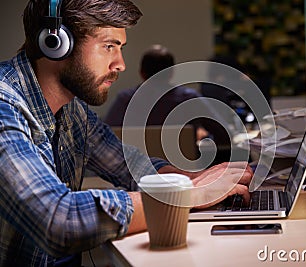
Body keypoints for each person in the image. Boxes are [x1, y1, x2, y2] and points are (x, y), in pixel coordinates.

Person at [0, 0, 253, 266]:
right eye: (109, 46)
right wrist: (187, 194)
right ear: (56, 44)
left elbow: (126, 165)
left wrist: (193, 179)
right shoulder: (5, 105)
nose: (120, 64)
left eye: (120, 48)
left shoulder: (72, 109)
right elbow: (58, 221)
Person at [104, 44, 228, 142]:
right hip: (183, 170)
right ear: (171, 73)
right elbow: (224, 134)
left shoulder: (126, 99)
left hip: (135, 169)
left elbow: (106, 137)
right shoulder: (189, 98)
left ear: (141, 73)